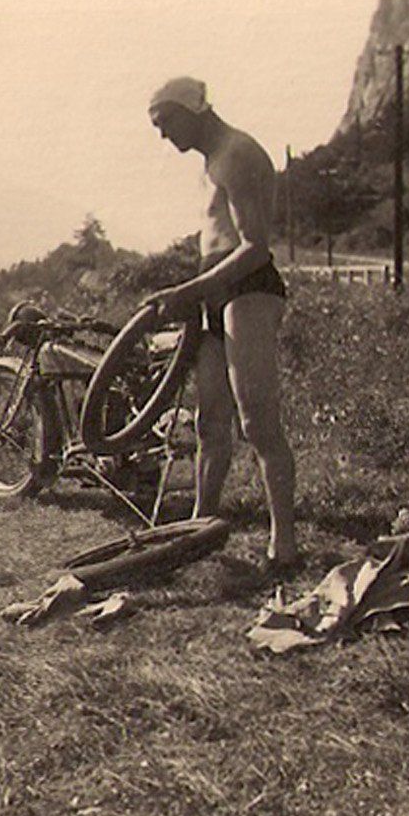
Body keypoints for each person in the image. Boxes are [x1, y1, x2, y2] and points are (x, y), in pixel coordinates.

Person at [142, 76, 298, 573]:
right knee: (210, 423)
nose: (162, 134)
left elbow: (255, 247)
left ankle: (284, 544)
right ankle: (198, 529)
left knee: (257, 422)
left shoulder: (237, 154)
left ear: (193, 109)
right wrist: (195, 293)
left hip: (248, 288)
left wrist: (188, 291)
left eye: (165, 121)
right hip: (215, 291)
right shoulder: (211, 161)